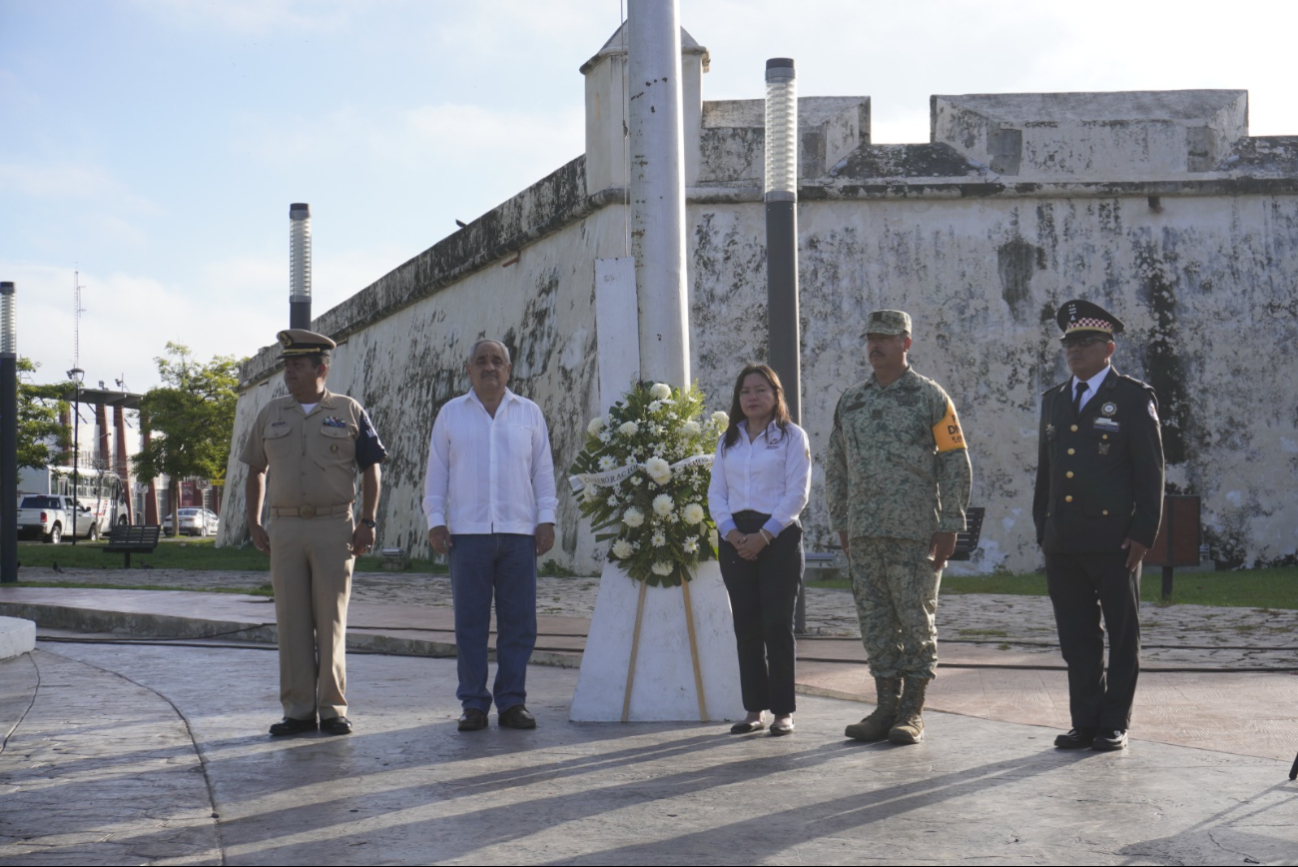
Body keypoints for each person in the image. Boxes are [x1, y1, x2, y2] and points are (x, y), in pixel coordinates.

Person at [827, 309, 972, 745]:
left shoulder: (930, 397)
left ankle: (912, 711)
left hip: (915, 534)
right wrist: (842, 522)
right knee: (874, 622)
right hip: (865, 532)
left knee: (915, 622)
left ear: (906, 344)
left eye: (887, 338)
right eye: (871, 338)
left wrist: (950, 524)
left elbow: (954, 461)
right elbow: (837, 466)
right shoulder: (852, 400)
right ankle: (885, 705)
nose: (877, 346)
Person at [241, 329, 386, 736]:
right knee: (291, 620)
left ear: (321, 368)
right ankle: (299, 710)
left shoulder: (349, 410)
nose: (290, 372)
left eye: (298, 366)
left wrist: (368, 521)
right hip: (284, 527)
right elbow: (256, 470)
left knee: (332, 619)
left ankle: (333, 707)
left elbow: (372, 468)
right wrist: (254, 521)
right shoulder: (272, 414)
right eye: (287, 365)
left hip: (333, 525)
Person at [1034, 299, 1164, 752]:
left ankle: (1114, 722)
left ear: (1108, 347)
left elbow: (1150, 472)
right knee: (1077, 637)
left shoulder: (1132, 397)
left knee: (1122, 634)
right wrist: (1043, 531)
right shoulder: (1054, 401)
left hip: (1115, 542)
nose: (1074, 350)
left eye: (1084, 342)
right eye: (1069, 342)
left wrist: (1144, 533)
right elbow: (1046, 475)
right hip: (1063, 541)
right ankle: (1085, 720)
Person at [423, 338, 557, 732]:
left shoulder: (529, 414)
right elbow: (437, 473)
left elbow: (543, 473)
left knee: (520, 623)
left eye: (497, 361)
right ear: (468, 370)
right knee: (470, 623)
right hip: (467, 535)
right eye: (480, 361)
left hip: (519, 534)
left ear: (509, 369)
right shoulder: (451, 415)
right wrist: (435, 518)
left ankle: (513, 701)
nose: (489, 367)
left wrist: (545, 519)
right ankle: (474, 704)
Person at [709, 364, 812, 737]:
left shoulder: (791, 437)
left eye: (760, 390)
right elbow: (716, 494)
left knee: (777, 625)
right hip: (735, 536)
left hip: (779, 536)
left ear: (775, 395)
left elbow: (797, 493)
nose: (752, 397)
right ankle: (754, 710)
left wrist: (764, 535)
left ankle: (783, 711)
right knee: (747, 626)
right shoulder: (728, 441)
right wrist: (733, 534)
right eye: (745, 391)